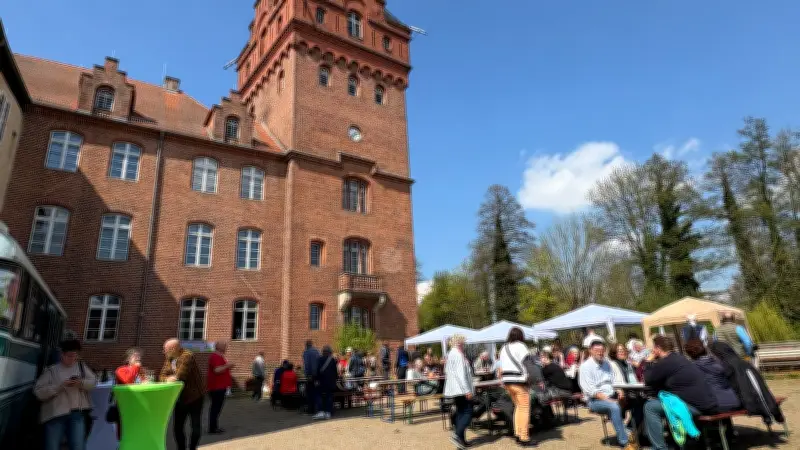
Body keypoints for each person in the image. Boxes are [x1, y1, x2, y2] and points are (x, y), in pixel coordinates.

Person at [643, 335, 718, 450]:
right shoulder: (680, 358)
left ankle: (659, 448)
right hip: (706, 403)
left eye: (653, 348)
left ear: (658, 348)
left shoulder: (667, 362)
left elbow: (648, 379)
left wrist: (648, 361)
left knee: (650, 407)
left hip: (696, 407)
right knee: (667, 403)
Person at [34, 339, 97, 450]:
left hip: (76, 413)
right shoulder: (52, 370)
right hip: (55, 415)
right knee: (51, 446)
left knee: (78, 446)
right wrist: (60, 387)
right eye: (69, 356)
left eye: (75, 356)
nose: (72, 359)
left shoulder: (81, 367)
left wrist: (80, 383)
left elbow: (93, 382)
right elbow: (38, 392)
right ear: (62, 355)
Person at [578, 337, 631, 449]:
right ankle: (625, 442)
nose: (600, 353)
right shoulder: (585, 367)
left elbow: (615, 380)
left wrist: (620, 391)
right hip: (595, 400)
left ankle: (635, 432)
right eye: (597, 351)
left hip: (611, 393)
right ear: (590, 351)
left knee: (635, 399)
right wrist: (609, 400)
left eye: (602, 351)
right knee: (614, 406)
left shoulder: (607, 364)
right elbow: (590, 391)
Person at [160, 338, 205, 450]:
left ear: (173, 349)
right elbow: (161, 376)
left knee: (195, 427)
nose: (163, 352)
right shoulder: (169, 358)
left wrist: (171, 378)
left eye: (165, 349)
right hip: (180, 398)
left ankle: (192, 447)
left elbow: (180, 376)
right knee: (177, 427)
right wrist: (168, 379)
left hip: (195, 397)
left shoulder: (187, 355)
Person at [499, 327, 535, 447]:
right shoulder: (521, 346)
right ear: (521, 336)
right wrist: (532, 378)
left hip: (507, 381)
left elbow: (501, 366)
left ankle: (517, 433)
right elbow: (528, 363)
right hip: (519, 380)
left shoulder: (504, 348)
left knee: (518, 408)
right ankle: (524, 437)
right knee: (524, 408)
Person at [684, 339, 740, 412]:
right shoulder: (719, 362)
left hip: (715, 404)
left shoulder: (692, 368)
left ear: (689, 354)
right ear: (704, 349)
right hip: (734, 400)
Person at [444, 334, 474, 450]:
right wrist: (467, 390)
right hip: (461, 389)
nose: (464, 344)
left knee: (461, 413)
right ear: (459, 343)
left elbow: (447, 371)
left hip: (456, 389)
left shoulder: (451, 354)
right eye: (463, 342)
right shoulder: (457, 354)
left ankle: (461, 441)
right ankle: (457, 435)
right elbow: (461, 375)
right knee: (467, 412)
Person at [112, 348, 148, 440]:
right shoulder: (121, 369)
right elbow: (127, 381)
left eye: (139, 356)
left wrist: (145, 380)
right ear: (128, 359)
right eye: (135, 356)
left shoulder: (140, 371)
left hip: (138, 405)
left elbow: (146, 384)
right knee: (124, 434)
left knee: (137, 432)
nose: (138, 358)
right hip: (125, 406)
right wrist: (136, 367)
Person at [206, 341, 233, 434]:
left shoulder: (220, 356)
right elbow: (217, 370)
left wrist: (227, 366)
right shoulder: (215, 356)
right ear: (220, 347)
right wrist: (228, 365)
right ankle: (212, 428)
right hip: (217, 387)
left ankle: (214, 426)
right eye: (225, 346)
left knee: (217, 408)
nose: (226, 348)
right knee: (215, 408)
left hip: (220, 386)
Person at [314, 346, 338, 420]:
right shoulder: (332, 360)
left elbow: (317, 371)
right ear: (330, 352)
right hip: (330, 382)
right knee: (329, 397)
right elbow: (335, 372)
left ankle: (321, 412)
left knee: (320, 396)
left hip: (321, 381)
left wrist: (316, 379)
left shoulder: (319, 359)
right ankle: (328, 412)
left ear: (323, 352)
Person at [302, 340, 320, 414]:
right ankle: (317, 409)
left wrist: (307, 374)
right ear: (311, 344)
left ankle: (310, 409)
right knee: (316, 392)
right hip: (317, 375)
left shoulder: (306, 352)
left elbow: (306, 364)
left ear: (306, 345)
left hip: (310, 375)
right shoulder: (317, 351)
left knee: (309, 392)